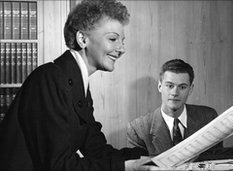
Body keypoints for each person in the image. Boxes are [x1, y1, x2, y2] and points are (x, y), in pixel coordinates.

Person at [0, 0, 157, 170]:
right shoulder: (49, 79)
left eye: (122, 41)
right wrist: (128, 167)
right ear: (82, 39)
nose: (121, 49)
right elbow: (58, 166)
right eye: (113, 39)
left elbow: (97, 150)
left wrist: (153, 158)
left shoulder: (74, 81)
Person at [127, 59, 223, 157]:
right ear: (160, 86)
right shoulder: (138, 130)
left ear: (190, 89)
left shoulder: (208, 118)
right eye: (169, 86)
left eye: (182, 87)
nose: (175, 93)